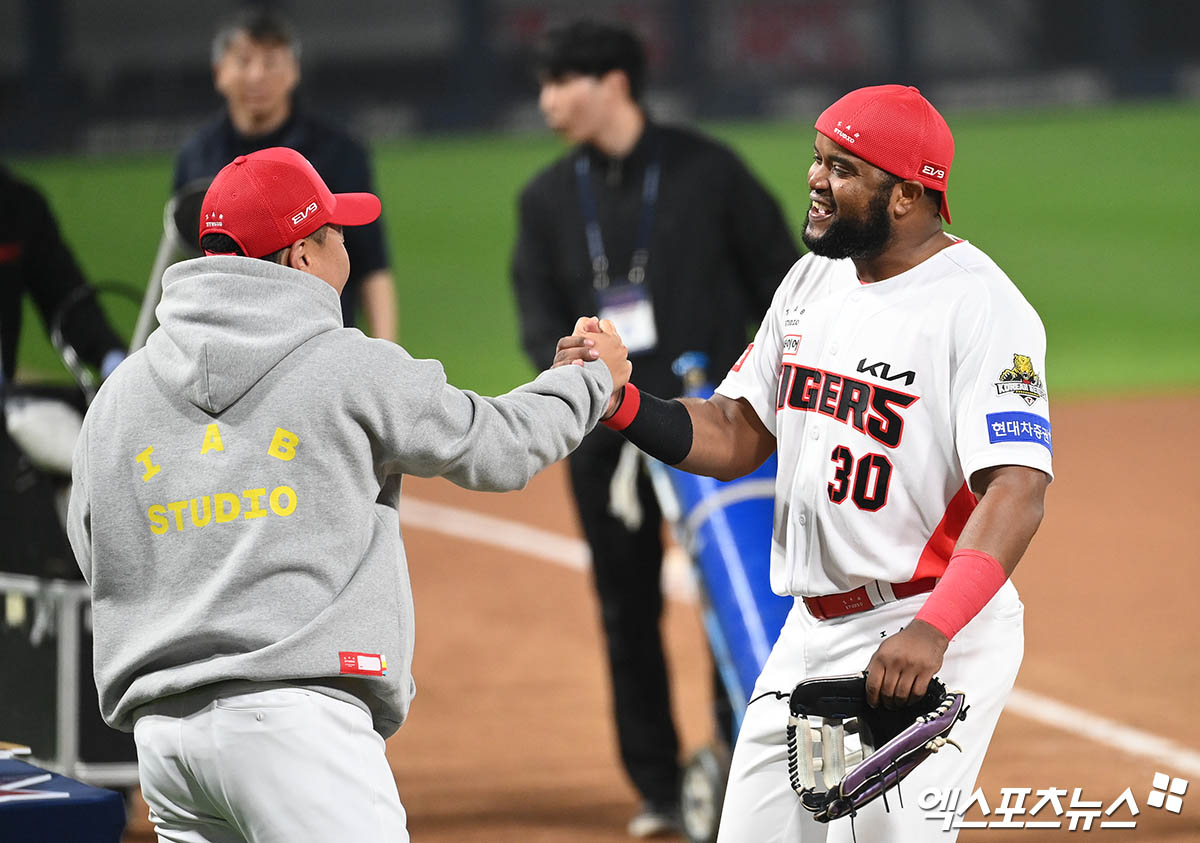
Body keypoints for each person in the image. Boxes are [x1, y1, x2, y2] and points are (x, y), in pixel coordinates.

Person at [66, 146, 630, 843]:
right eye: (337, 237)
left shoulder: (120, 397)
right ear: (302, 256)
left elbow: (94, 545)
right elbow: (498, 446)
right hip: (296, 732)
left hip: (166, 750)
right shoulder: (348, 365)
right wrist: (589, 382)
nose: (347, 256)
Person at [584, 84, 1052, 842]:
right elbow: (737, 429)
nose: (815, 178)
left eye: (842, 167)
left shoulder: (983, 310)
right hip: (809, 633)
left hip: (925, 634)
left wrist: (934, 628)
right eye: (817, 158)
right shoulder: (813, 281)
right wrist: (624, 401)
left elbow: (1018, 488)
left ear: (905, 195)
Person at [511, 18, 800, 836]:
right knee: (624, 605)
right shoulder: (543, 200)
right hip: (610, 437)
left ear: (613, 83)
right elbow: (539, 324)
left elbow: (785, 287)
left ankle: (747, 755)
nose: (546, 100)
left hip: (718, 428)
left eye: (561, 80)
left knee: (741, 580)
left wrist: (752, 383)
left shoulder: (710, 172)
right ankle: (658, 789)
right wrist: (590, 391)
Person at [173, 7, 397, 340]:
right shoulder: (195, 156)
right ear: (220, 72)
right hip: (227, 343)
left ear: (293, 72)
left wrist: (385, 354)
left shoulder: (338, 151)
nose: (257, 75)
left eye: (271, 62)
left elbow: (371, 263)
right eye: (244, 61)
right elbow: (190, 265)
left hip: (321, 341)